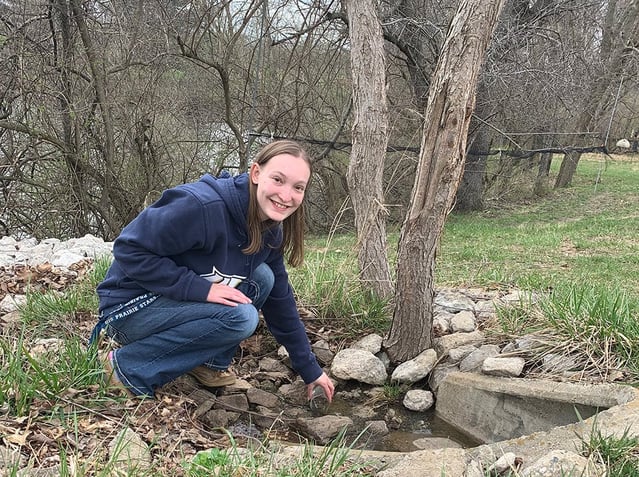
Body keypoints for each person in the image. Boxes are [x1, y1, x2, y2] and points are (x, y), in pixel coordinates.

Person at [91, 140, 334, 403]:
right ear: (255, 173)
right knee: (241, 317)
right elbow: (129, 249)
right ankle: (127, 368)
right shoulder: (201, 206)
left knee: (263, 278)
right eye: (278, 179)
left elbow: (280, 300)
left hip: (170, 307)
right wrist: (201, 289)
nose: (286, 196)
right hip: (128, 310)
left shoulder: (269, 228)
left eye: (298, 187)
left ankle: (207, 364)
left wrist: (310, 368)